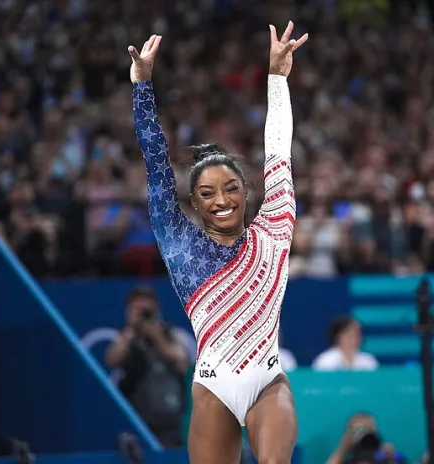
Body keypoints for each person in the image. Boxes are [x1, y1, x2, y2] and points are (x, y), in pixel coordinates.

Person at [128, 21, 308, 464]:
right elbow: (156, 167)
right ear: (195, 203)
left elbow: (278, 151)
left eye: (230, 189)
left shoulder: (275, 228)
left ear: (246, 191)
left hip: (268, 383)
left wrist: (277, 78)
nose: (221, 201)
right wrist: (142, 86)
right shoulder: (181, 246)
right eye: (207, 194)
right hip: (213, 388)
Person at [104, 286, 189, 447]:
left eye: (146, 310)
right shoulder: (126, 337)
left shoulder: (170, 334)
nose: (142, 314)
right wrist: (131, 329)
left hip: (169, 417)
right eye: (137, 309)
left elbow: (181, 362)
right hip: (136, 418)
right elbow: (111, 360)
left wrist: (157, 336)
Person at [312, 315, 379, 371]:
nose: (354, 339)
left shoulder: (369, 361)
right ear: (337, 336)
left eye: (357, 334)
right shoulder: (325, 361)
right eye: (349, 335)